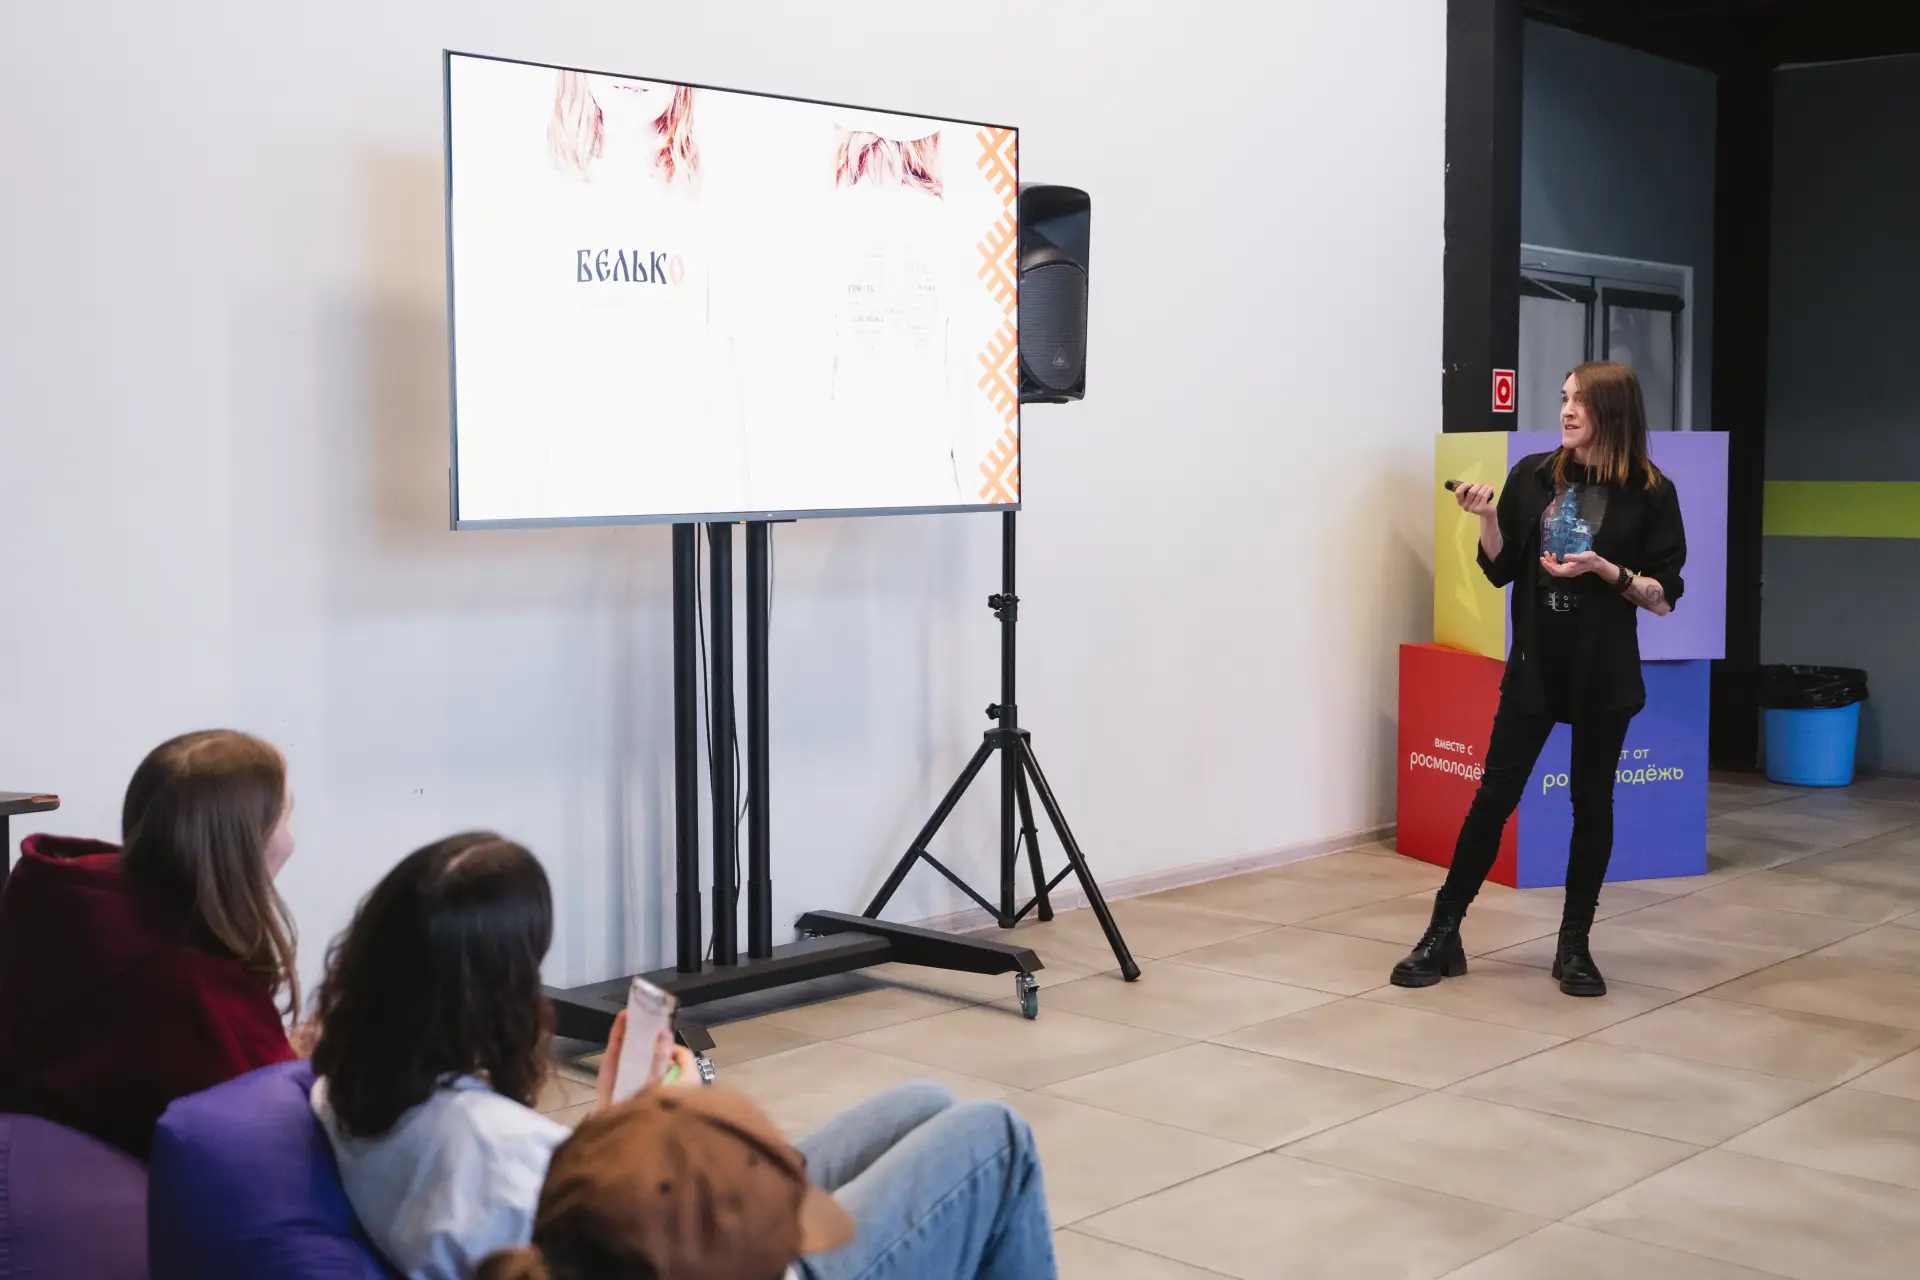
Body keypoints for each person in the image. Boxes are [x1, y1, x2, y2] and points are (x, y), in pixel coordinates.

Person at [312, 833, 1054, 1280]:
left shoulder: (349, 1087)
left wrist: (620, 1121)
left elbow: (581, 1234)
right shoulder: (493, 1154)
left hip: (649, 1243)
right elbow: (617, 1236)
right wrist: (659, 1124)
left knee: (923, 1104)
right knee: (995, 1137)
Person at [1392, 362, 1686, 998]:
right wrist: (1485, 518)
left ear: (1614, 411)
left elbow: (1663, 598)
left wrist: (1606, 570)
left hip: (1604, 673)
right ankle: (1443, 932)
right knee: (1494, 797)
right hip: (1534, 667)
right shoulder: (1532, 474)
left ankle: (1574, 945)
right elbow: (1501, 570)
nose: (1567, 411)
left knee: (1592, 803)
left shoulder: (1650, 491)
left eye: (1582, 401)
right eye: (1564, 399)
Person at [0, 729, 300, 1156]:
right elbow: (274, 1135)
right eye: (286, 818)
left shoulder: (62, 902)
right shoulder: (194, 994)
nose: (292, 842)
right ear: (245, 845)